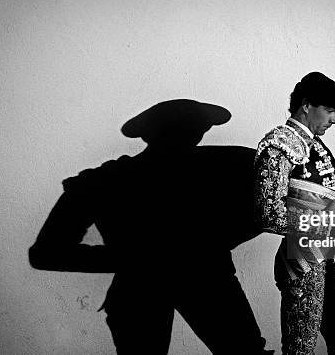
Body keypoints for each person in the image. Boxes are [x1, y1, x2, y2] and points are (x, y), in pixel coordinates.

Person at [29, 99, 272, 354]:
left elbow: (45, 253)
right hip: (169, 287)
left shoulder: (102, 180)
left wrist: (136, 257)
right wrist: (141, 256)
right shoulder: (229, 163)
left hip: (175, 286)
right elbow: (45, 254)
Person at [254, 72, 335, 354]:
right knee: (301, 348)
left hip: (323, 257)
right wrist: (327, 221)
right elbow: (270, 213)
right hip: (299, 263)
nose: (334, 119)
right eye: (330, 110)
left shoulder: (316, 145)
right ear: (306, 105)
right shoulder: (280, 144)